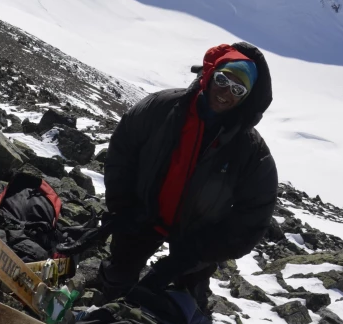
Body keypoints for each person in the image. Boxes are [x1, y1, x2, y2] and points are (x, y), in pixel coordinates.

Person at [99, 42, 278, 305]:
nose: (226, 92)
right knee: (116, 280)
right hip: (141, 214)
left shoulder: (251, 151)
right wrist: (122, 206)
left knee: (182, 309)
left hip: (197, 239)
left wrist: (200, 253)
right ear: (210, 73)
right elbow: (123, 151)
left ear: (246, 99)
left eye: (238, 90)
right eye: (223, 80)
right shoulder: (162, 107)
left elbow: (254, 215)